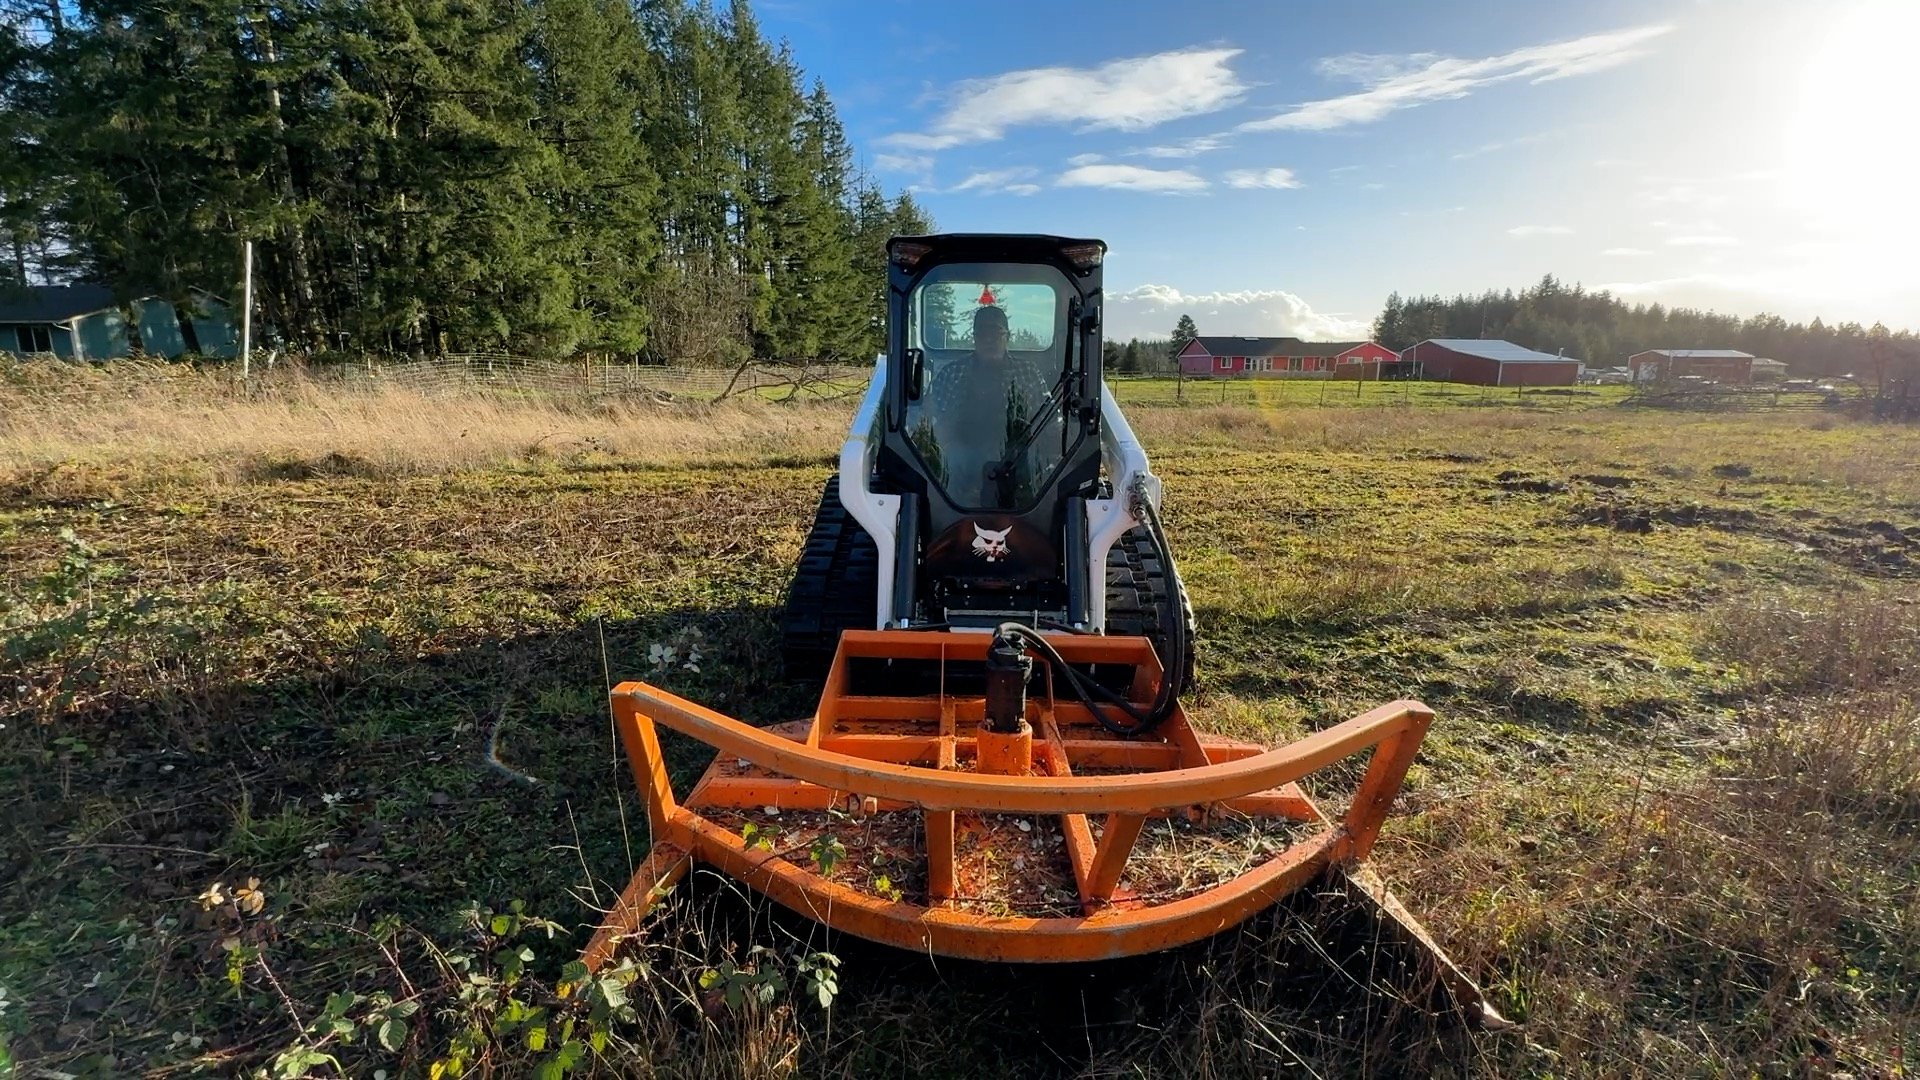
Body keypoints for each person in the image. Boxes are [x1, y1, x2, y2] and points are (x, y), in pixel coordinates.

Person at [913, 303, 1060, 506]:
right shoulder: (952, 373)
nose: (989, 339)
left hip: (1018, 458)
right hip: (961, 458)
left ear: (1007, 336)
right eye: (983, 333)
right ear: (974, 337)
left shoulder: (1028, 373)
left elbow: (1050, 418)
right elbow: (927, 417)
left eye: (996, 332)